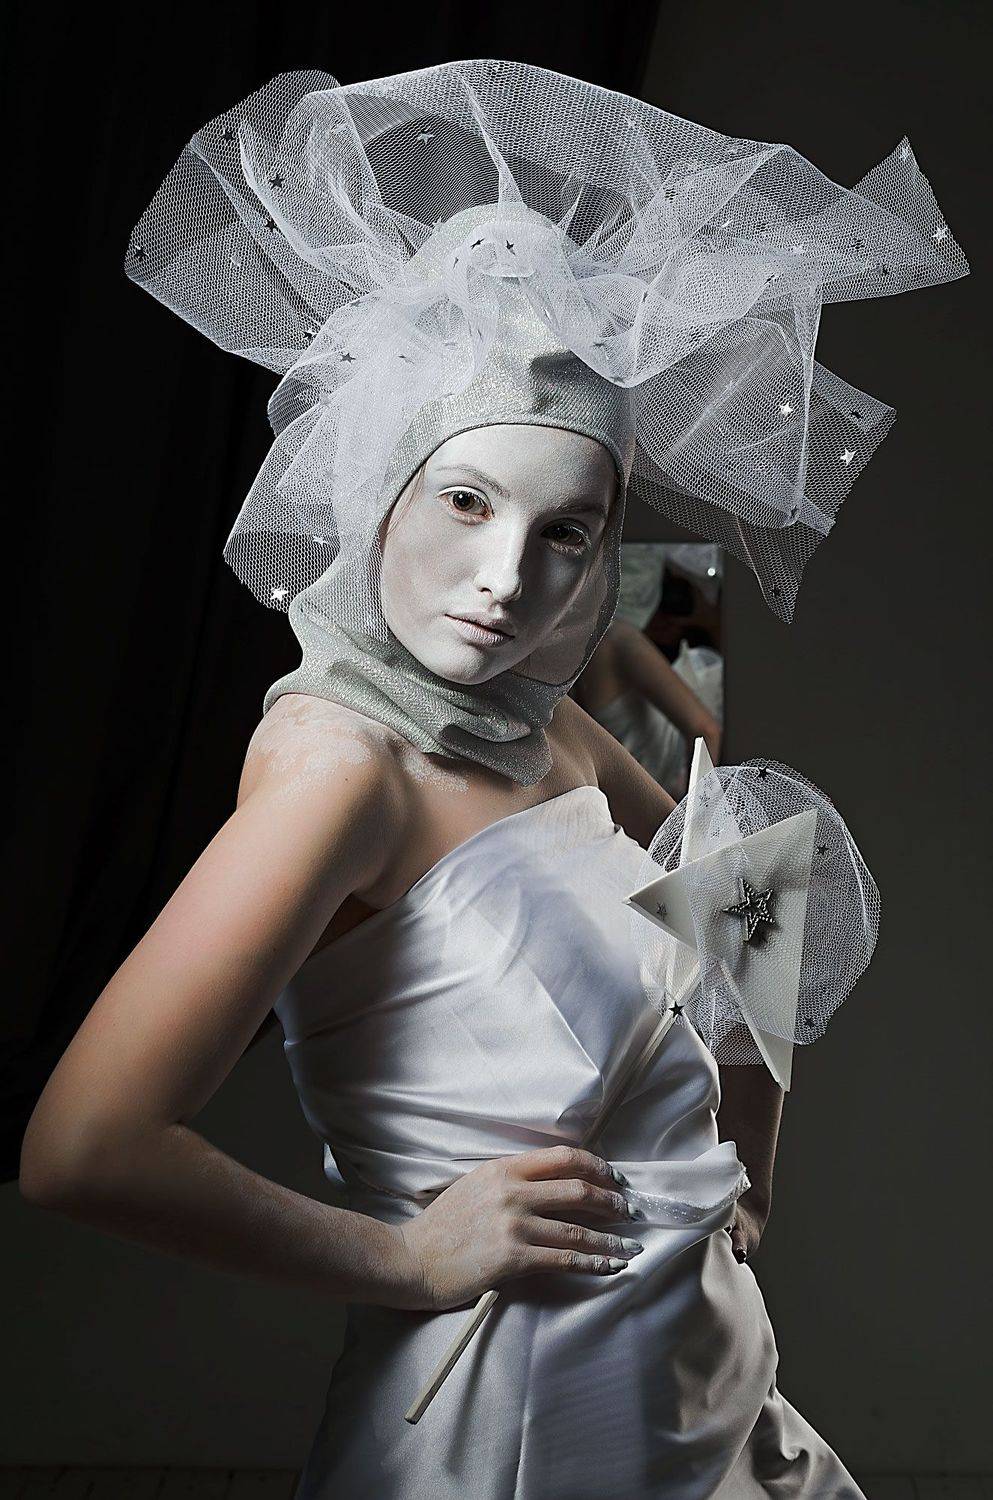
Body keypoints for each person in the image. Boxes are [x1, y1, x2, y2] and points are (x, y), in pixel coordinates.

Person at [19, 59, 966, 1498]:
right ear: (377, 488)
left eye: (565, 532)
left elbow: (749, 893)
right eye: (463, 501)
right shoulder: (346, 775)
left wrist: (745, 1169)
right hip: (517, 1429)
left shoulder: (548, 728)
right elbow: (83, 1146)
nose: (504, 578)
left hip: (700, 1388)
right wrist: (407, 1257)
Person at [571, 542, 723, 798]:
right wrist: (693, 815)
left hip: (641, 797)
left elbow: (707, 732)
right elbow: (706, 731)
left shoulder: (552, 657)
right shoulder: (616, 639)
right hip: (659, 795)